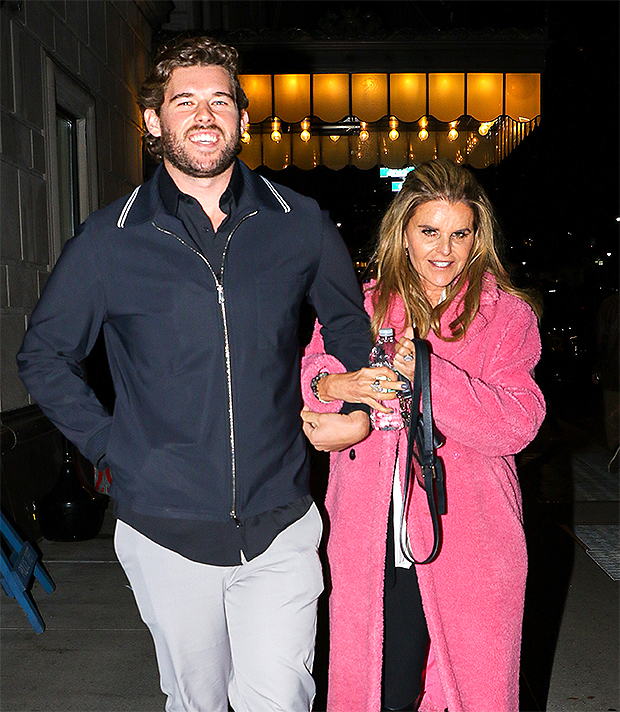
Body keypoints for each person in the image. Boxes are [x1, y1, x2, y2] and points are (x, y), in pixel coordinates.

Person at [17, 36, 373, 712]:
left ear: (242, 116)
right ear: (154, 122)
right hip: (165, 530)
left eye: (220, 100)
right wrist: (112, 444)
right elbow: (43, 355)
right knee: (197, 703)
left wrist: (353, 397)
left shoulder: (299, 222)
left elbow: (349, 326)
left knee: (283, 698)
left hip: (281, 519)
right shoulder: (110, 239)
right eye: (184, 101)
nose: (204, 115)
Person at [300, 159, 546, 712]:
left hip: (473, 536)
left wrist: (429, 378)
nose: (445, 249)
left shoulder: (505, 317)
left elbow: (519, 421)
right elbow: (311, 373)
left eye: (460, 233)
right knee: (382, 692)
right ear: (402, 232)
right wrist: (337, 386)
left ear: (477, 237)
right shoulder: (362, 305)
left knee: (472, 693)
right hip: (374, 538)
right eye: (429, 231)